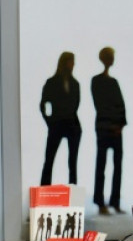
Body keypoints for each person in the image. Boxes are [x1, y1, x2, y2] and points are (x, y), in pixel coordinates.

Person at [91, 47, 127, 215]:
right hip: (104, 129)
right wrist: (112, 125)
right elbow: (101, 105)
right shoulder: (96, 81)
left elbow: (121, 106)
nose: (112, 59)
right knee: (102, 165)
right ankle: (100, 202)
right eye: (110, 56)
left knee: (117, 165)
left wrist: (119, 125)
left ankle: (115, 201)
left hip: (115, 130)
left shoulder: (113, 82)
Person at [39, 52, 82, 186]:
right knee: (49, 160)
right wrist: (50, 121)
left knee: (72, 162)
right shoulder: (52, 82)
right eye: (71, 61)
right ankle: (45, 194)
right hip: (57, 125)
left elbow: (76, 104)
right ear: (65, 62)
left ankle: (73, 195)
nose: (73, 64)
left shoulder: (75, 83)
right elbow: (43, 104)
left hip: (72, 125)